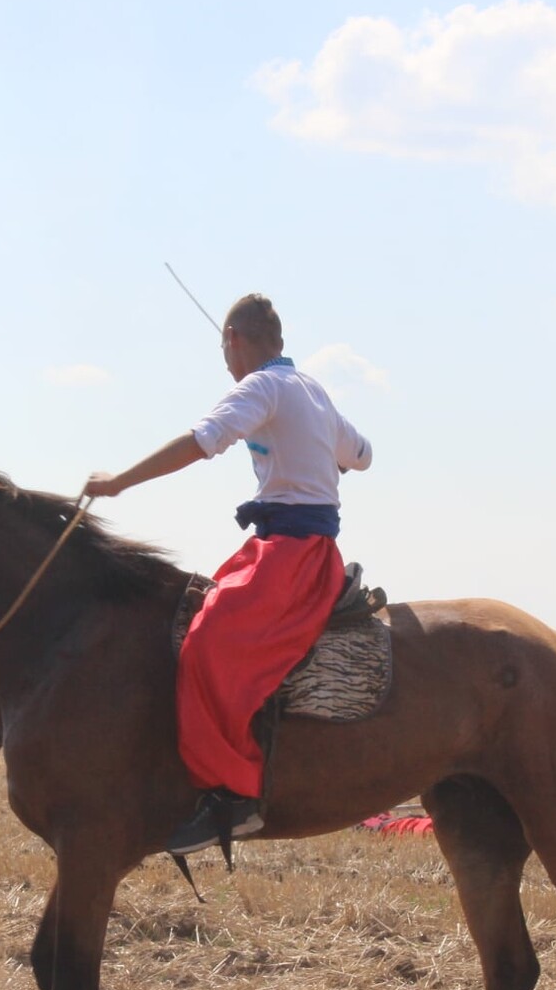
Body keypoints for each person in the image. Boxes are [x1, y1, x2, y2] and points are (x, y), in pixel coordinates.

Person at [83, 293, 373, 856]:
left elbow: (200, 442)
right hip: (288, 546)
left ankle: (231, 796)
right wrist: (326, 454)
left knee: (206, 644)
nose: (224, 359)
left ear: (234, 339)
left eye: (223, 347)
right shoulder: (312, 390)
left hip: (292, 553)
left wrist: (119, 482)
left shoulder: (260, 388)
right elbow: (362, 455)